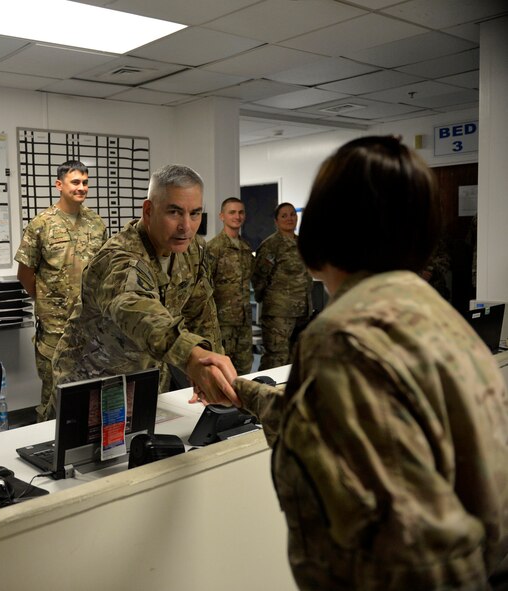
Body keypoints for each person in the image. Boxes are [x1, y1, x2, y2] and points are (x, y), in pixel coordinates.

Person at [222, 136, 508, 590]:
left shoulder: (342, 339)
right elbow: (335, 430)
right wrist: (247, 393)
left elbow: (414, 551)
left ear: (326, 227)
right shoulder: (435, 317)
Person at [52, 164, 234, 409]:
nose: (186, 226)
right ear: (148, 210)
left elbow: (202, 315)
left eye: (195, 213)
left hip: (147, 383)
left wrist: (213, 369)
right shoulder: (120, 257)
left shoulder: (193, 250)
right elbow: (138, 309)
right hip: (91, 386)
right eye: (174, 212)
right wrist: (191, 355)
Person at [15, 160, 107, 421]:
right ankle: (47, 452)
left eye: (85, 182)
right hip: (55, 328)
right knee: (53, 396)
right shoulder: (41, 224)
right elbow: (24, 273)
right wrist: (46, 301)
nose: (82, 187)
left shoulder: (97, 224)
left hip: (90, 325)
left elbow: (102, 271)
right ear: (59, 185)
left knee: (89, 391)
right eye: (75, 182)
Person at [251, 201, 312, 369]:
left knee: (296, 360)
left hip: (301, 312)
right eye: (284, 216)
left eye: (293, 214)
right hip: (279, 314)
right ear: (276, 221)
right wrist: (267, 300)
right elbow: (259, 277)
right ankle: (266, 394)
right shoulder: (271, 245)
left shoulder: (303, 243)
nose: (290, 218)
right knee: (276, 360)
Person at [206, 197, 254, 374]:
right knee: (222, 372)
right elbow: (204, 288)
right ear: (222, 216)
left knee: (244, 370)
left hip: (244, 321)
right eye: (232, 212)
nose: (237, 216)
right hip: (222, 322)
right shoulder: (214, 248)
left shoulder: (245, 248)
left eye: (241, 212)